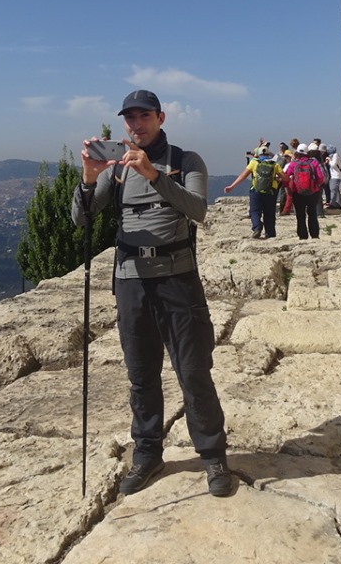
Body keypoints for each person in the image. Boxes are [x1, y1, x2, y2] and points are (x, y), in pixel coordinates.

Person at [71, 89, 232, 498]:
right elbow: (81, 219)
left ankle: (213, 455)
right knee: (141, 374)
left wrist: (154, 175)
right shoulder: (116, 169)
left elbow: (198, 209)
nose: (136, 124)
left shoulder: (185, 161)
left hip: (178, 279)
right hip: (131, 280)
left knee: (193, 371)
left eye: (144, 116)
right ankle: (147, 453)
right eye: (130, 118)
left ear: (161, 118)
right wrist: (89, 178)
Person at [223, 145, 289, 238]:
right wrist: (278, 179)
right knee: (269, 214)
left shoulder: (254, 162)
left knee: (255, 211)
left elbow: (243, 176)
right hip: (271, 192)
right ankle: (270, 233)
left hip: (256, 191)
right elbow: (286, 178)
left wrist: (232, 186)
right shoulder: (275, 164)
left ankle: (257, 226)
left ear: (258, 154)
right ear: (269, 154)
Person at [288, 143, 325, 240]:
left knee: (300, 214)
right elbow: (320, 178)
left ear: (297, 153)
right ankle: (314, 234)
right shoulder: (314, 163)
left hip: (298, 192)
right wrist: (316, 185)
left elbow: (286, 175)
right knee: (312, 213)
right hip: (312, 192)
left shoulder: (293, 164)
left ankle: (302, 235)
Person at [326, 144, 341, 209]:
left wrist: (329, 161)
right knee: (336, 190)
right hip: (333, 176)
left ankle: (332, 204)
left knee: (333, 190)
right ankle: (338, 203)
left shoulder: (335, 155)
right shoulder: (333, 156)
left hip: (336, 176)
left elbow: (333, 164)